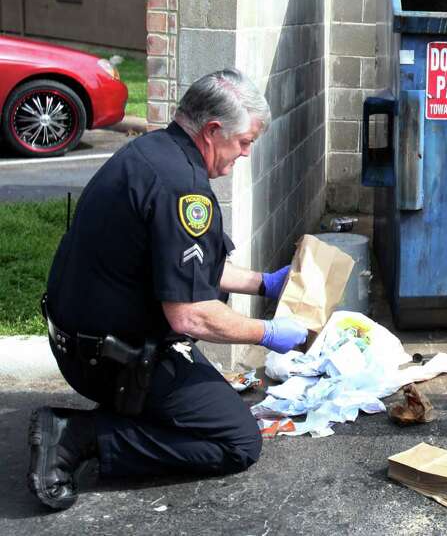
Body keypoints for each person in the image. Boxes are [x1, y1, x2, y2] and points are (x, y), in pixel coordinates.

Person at [28, 68, 308, 511]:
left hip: (88, 338)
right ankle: (78, 437)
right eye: (245, 142)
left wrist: (262, 283)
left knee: (209, 394)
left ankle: (126, 415)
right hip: (109, 359)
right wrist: (267, 333)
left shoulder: (154, 152)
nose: (246, 154)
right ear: (213, 131)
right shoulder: (184, 188)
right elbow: (190, 314)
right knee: (236, 441)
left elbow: (191, 266)